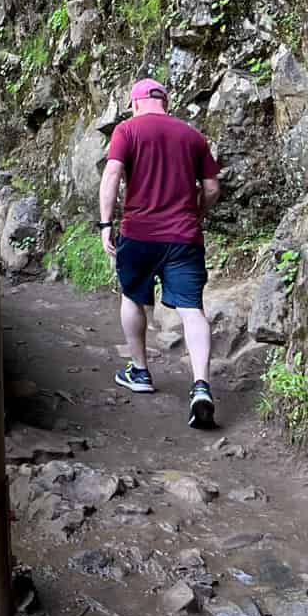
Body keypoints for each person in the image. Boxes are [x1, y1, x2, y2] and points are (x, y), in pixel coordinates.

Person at [98, 77, 221, 429]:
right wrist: (196, 214)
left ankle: (140, 372)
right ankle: (201, 385)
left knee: (133, 298)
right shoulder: (192, 136)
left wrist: (106, 224)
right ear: (165, 102)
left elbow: (112, 175)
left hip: (138, 234)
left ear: (135, 103)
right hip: (184, 237)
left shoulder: (127, 130)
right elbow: (212, 187)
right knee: (192, 310)